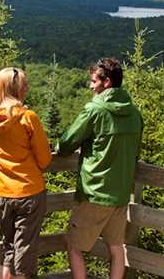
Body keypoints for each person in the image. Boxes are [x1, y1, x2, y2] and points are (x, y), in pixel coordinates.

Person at [56, 58, 143, 279]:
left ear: (107, 82)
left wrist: (58, 147)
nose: (90, 85)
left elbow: (67, 144)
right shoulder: (134, 114)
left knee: (74, 246)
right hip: (121, 194)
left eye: (94, 81)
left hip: (94, 192)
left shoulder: (94, 110)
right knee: (116, 248)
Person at [0, 67, 53, 279]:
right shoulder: (28, 117)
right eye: (24, 85)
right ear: (14, 89)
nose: (27, 88)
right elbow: (45, 159)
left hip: (4, 192)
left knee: (8, 250)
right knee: (25, 252)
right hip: (30, 192)